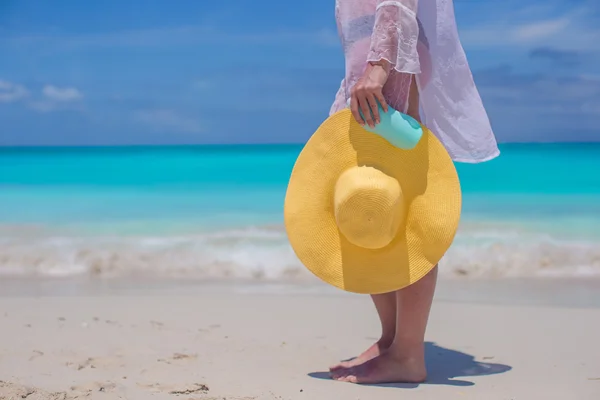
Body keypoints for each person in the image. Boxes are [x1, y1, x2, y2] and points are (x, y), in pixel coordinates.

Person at [328, 0, 500, 384]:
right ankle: (392, 341)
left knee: (405, 217)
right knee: (368, 210)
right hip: (371, 73)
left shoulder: (384, 69)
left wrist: (379, 66)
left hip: (391, 74)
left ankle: (407, 353)